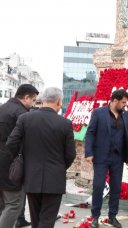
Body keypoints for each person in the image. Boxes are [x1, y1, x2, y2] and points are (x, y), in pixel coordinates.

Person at [6, 87, 76, 228]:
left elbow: (11, 143)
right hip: (55, 179)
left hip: (31, 177)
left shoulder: (25, 119)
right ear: (58, 101)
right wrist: (60, 167)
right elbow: (70, 154)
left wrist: (21, 160)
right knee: (47, 220)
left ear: (43, 100)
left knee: (36, 220)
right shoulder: (65, 123)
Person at [85, 89, 128, 228]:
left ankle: (112, 216)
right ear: (115, 100)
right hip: (101, 156)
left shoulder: (125, 115)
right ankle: (95, 217)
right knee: (98, 186)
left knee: (116, 188)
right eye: (123, 102)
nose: (125, 105)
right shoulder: (98, 113)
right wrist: (89, 152)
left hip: (118, 157)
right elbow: (91, 133)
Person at [0, 84, 38, 228]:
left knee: (2, 204)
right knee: (14, 204)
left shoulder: (2, 108)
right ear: (26, 97)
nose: (33, 103)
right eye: (33, 100)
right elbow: (25, 141)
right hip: (10, 164)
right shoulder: (21, 114)